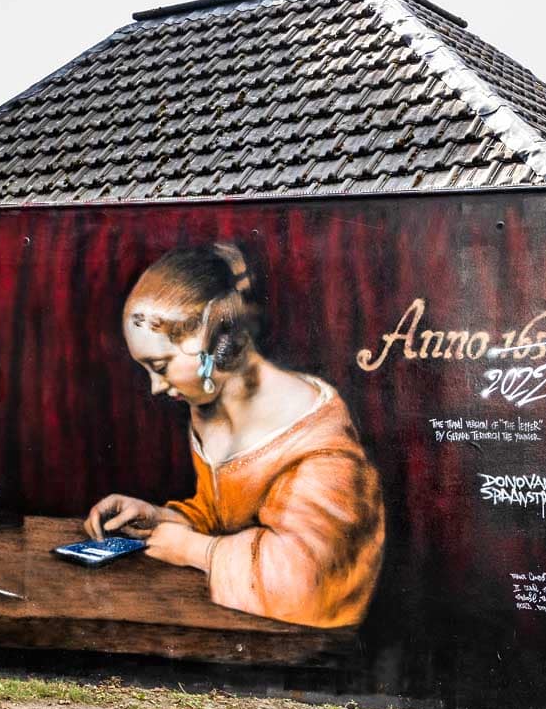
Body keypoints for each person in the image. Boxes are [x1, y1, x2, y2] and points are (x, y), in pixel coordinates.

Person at [83, 244, 384, 629]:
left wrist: (199, 550)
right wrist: (160, 517)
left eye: (160, 366)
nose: (156, 387)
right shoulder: (211, 410)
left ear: (209, 339)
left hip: (305, 646)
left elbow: (307, 581)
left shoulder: (317, 444)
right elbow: (226, 516)